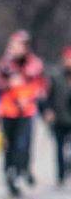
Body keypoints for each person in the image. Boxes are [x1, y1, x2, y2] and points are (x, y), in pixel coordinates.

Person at [0, 30, 47, 196]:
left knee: (23, 144)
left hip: (26, 111)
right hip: (8, 111)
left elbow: (41, 86)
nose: (14, 48)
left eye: (17, 45)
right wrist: (8, 83)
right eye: (12, 45)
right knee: (9, 145)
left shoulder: (34, 64)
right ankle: (10, 175)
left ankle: (23, 169)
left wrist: (30, 96)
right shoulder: (4, 64)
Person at [43, 47, 71, 185]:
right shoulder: (56, 76)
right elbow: (48, 95)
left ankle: (68, 166)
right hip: (59, 116)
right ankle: (60, 174)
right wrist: (48, 110)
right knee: (59, 146)